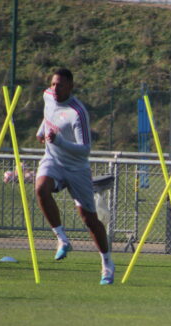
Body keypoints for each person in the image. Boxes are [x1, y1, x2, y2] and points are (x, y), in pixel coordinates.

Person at [35, 68, 115, 285]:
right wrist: (42, 130)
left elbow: (85, 149)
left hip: (77, 168)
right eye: (53, 84)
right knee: (41, 188)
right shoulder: (47, 96)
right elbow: (48, 114)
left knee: (89, 219)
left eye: (60, 85)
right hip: (53, 160)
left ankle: (107, 263)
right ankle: (62, 239)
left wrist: (59, 140)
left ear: (70, 86)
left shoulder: (77, 112)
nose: (55, 88)